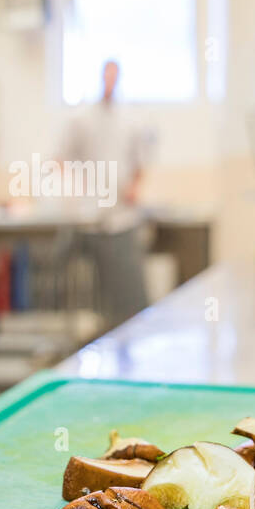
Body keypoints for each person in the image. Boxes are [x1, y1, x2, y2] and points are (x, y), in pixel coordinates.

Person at [60, 59, 150, 326]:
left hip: (121, 219)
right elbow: (60, 158)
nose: (110, 82)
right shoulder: (82, 119)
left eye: (115, 77)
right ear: (101, 78)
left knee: (130, 298)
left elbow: (139, 165)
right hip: (89, 220)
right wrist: (74, 192)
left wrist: (134, 188)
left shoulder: (132, 121)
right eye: (106, 76)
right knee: (87, 296)